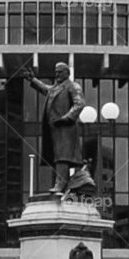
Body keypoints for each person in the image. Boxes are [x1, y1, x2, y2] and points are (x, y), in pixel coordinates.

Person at [23, 62, 86, 194]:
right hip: (55, 129)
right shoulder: (56, 88)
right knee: (58, 156)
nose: (56, 74)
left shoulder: (73, 86)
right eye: (56, 71)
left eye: (60, 72)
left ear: (67, 73)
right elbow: (45, 89)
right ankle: (65, 183)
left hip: (66, 129)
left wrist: (68, 117)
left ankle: (61, 184)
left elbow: (79, 103)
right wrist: (33, 79)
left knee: (63, 156)